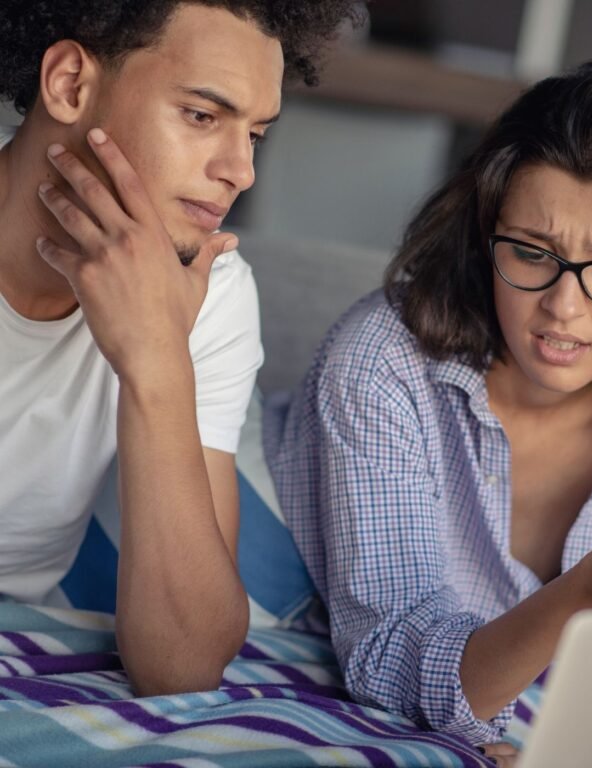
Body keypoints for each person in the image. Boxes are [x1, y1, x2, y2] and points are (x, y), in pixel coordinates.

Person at [266, 59, 592, 762]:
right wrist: (590, 583)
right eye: (533, 253)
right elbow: (388, 665)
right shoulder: (383, 361)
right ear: (484, 233)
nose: (564, 308)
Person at [0, 0, 359, 697]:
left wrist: (157, 362)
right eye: (201, 116)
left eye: (255, 133)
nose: (241, 170)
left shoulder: (211, 292)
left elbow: (182, 665)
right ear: (71, 84)